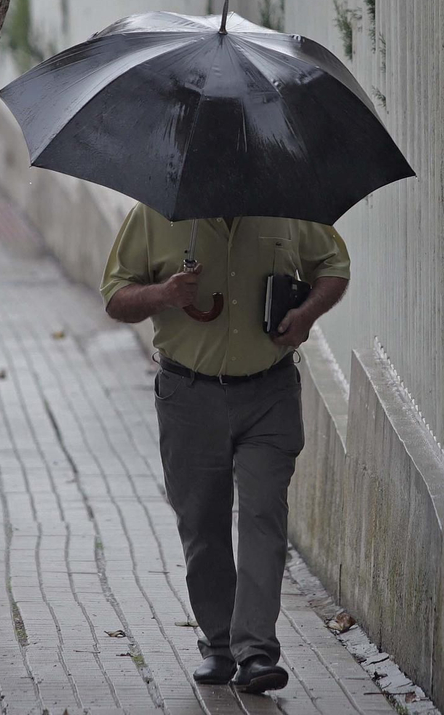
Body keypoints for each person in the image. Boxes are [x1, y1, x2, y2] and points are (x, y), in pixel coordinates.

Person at [101, 207, 350, 694]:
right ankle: (219, 644)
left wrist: (305, 315)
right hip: (188, 395)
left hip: (269, 393)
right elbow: (116, 296)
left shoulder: (284, 205)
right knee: (202, 522)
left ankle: (256, 651)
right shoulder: (155, 213)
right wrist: (163, 294)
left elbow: (333, 268)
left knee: (263, 514)